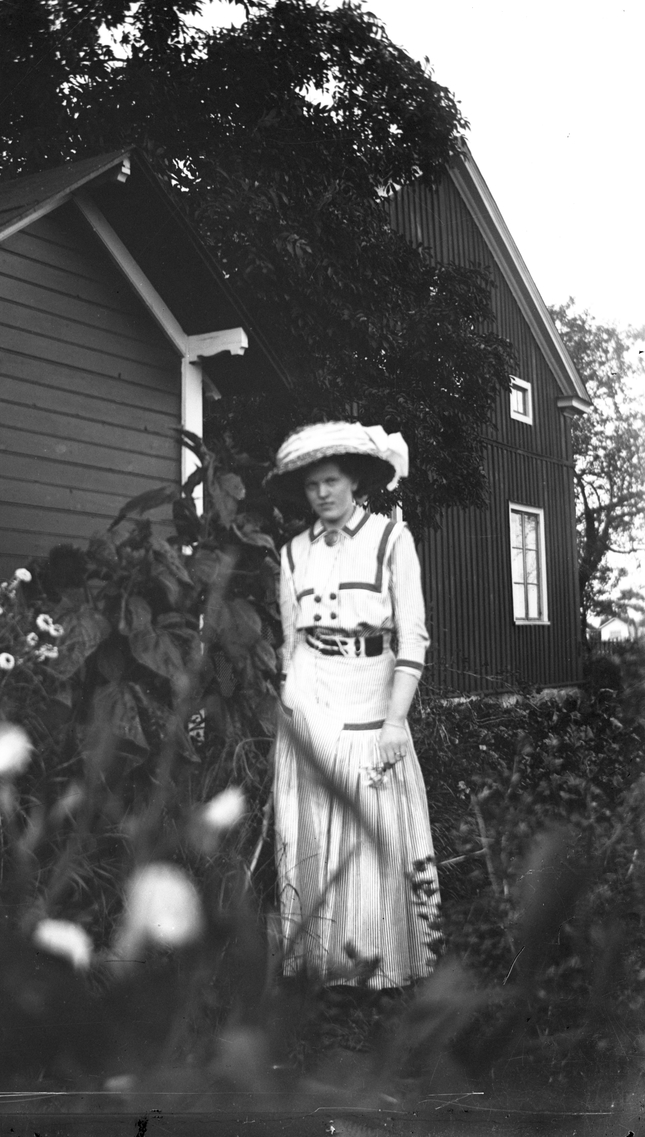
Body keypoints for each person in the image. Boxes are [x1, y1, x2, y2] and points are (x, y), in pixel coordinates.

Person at [267, 421, 440, 990]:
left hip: (372, 695)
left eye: (332, 481)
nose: (322, 493)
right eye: (312, 484)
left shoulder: (392, 540)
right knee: (316, 830)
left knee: (371, 833)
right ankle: (323, 967)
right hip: (312, 697)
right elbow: (290, 640)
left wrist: (396, 722)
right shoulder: (294, 553)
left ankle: (381, 968)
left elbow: (412, 637)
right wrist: (291, 704)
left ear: (356, 482)